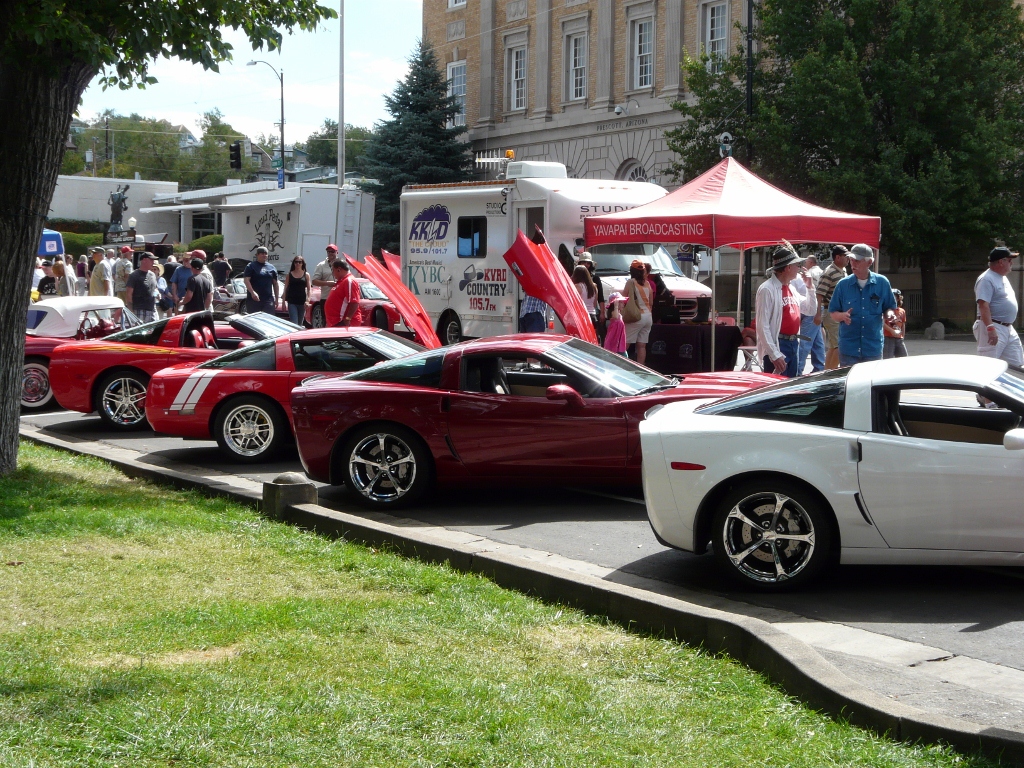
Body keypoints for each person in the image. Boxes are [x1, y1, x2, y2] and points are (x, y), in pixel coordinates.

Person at [828, 243, 897, 366]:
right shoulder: (843, 285)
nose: (853, 263)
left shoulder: (882, 283)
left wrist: (890, 315)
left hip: (872, 348)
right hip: (849, 349)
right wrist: (842, 316)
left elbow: (890, 308)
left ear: (869, 262)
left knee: (871, 383)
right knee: (850, 383)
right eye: (851, 259)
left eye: (857, 260)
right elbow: (833, 312)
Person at [755, 246, 817, 377]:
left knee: (790, 389)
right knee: (776, 390)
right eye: (797, 265)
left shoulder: (791, 288)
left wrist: (810, 287)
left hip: (793, 344)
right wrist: (774, 354)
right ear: (788, 267)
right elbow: (762, 325)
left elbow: (811, 310)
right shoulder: (767, 289)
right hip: (779, 344)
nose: (799, 269)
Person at [974, 245, 1022, 366]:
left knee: (1018, 364)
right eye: (1009, 260)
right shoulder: (986, 279)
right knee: (988, 366)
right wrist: (990, 328)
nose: (1011, 263)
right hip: (993, 326)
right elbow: (983, 305)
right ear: (1001, 262)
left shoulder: (1001, 277)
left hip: (1007, 328)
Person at [816, 245, 849, 369]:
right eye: (846, 256)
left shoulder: (843, 271)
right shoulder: (829, 272)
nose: (848, 259)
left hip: (838, 313)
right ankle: (831, 374)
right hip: (831, 313)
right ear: (837, 257)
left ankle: (827, 373)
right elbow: (819, 294)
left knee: (833, 346)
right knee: (838, 345)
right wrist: (818, 313)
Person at [795, 256, 825, 373]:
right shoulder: (818, 272)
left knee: (804, 341)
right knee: (817, 341)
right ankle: (819, 369)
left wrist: (817, 313)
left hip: (811, 309)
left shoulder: (797, 278)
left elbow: (817, 293)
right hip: (814, 308)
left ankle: (798, 370)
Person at [623, 259, 654, 364]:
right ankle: (641, 368)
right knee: (642, 346)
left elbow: (623, 299)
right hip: (648, 317)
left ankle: (619, 366)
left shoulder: (631, 282)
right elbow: (651, 302)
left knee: (625, 344)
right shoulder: (648, 284)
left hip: (636, 316)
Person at [324, 258, 363, 327]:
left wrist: (347, 319)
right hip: (335, 322)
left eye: (333, 270)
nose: (333, 274)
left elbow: (354, 302)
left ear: (339, 269)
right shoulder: (342, 281)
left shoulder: (349, 281)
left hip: (343, 322)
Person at [577, 252, 605, 338]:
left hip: (592, 311)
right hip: (579, 312)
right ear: (580, 264)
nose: (586, 265)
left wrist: (602, 313)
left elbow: (600, 297)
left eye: (588, 263)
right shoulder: (576, 278)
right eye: (583, 262)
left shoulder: (595, 278)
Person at [243, 246, 279, 314]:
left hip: (268, 300)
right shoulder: (251, 266)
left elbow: (275, 284)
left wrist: (276, 299)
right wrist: (252, 293)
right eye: (262, 253)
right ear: (257, 255)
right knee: (254, 322)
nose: (264, 255)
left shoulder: (272, 268)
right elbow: (246, 280)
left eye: (266, 253)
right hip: (254, 300)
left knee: (268, 321)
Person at [125, 252, 159, 322]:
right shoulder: (134, 275)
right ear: (144, 260)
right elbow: (128, 294)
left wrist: (157, 295)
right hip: (139, 310)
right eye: (151, 260)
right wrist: (131, 311)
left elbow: (155, 289)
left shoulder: (152, 275)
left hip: (152, 309)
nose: (153, 262)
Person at [284, 255, 312, 325]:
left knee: (299, 324)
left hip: (302, 302)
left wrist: (308, 300)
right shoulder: (289, 274)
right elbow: (285, 288)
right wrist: (283, 302)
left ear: (302, 263)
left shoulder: (306, 275)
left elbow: (309, 289)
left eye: (300, 262)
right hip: (292, 302)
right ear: (294, 263)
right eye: (296, 262)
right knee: (294, 323)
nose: (298, 264)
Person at [883, 289, 908, 359]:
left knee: (904, 358)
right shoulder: (885, 310)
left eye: (895, 297)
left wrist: (902, 335)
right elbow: (882, 323)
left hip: (899, 339)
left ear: (898, 298)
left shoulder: (902, 311)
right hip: (888, 338)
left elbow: (903, 324)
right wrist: (891, 331)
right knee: (888, 359)